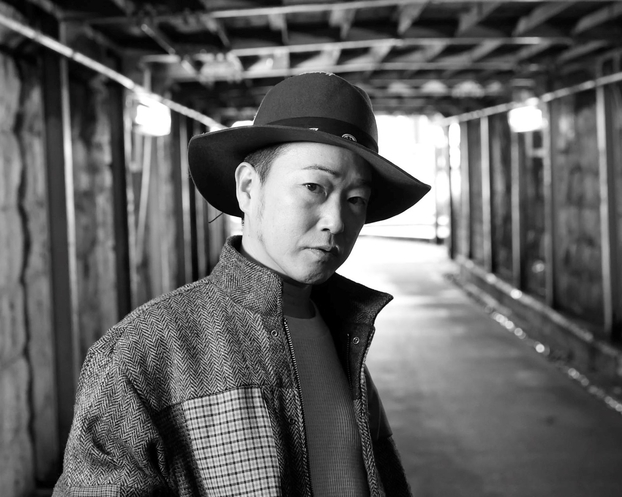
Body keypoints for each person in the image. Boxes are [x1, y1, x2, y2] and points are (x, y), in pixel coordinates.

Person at [54, 72, 430, 496]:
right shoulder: (143, 356)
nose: (336, 221)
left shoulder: (347, 333)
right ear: (249, 187)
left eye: (356, 199)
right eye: (313, 187)